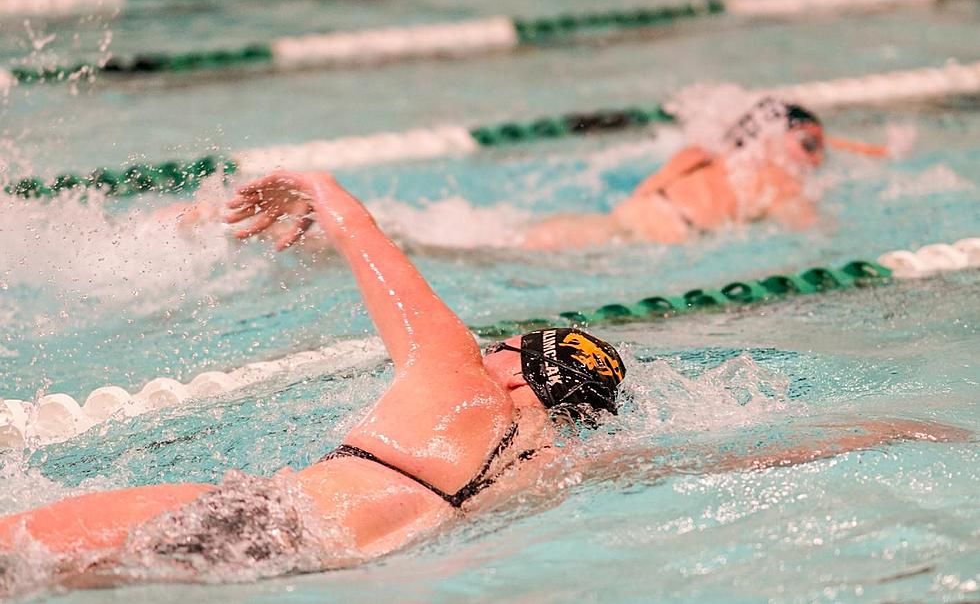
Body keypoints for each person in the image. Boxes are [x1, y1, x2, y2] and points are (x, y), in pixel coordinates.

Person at [0, 171, 966, 594]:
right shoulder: (552, 467)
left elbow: (378, 258)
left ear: (516, 363)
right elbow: (752, 448)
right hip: (324, 567)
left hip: (267, 517)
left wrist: (322, 191)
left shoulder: (458, 376)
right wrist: (900, 428)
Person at [522, 97, 889, 249]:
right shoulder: (775, 180)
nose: (816, 159)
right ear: (772, 138)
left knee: (521, 243)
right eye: (809, 147)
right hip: (658, 236)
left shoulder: (707, 155)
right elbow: (812, 232)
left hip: (626, 217)